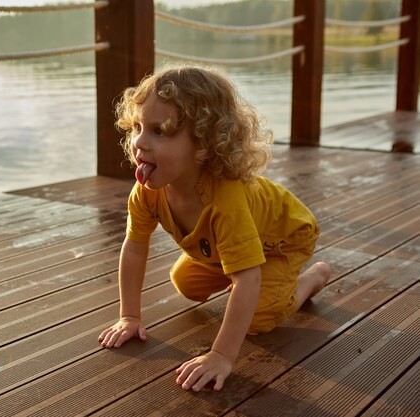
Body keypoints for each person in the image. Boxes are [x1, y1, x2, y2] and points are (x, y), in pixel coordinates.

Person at [97, 66, 331, 392]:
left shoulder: (225, 201)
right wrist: (130, 316)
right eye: (137, 127)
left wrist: (221, 355)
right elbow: (134, 246)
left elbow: (248, 277)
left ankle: (311, 279)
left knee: (259, 318)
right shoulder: (147, 190)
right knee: (186, 283)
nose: (139, 143)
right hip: (230, 247)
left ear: (205, 144)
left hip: (283, 239)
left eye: (159, 131)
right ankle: (234, 266)